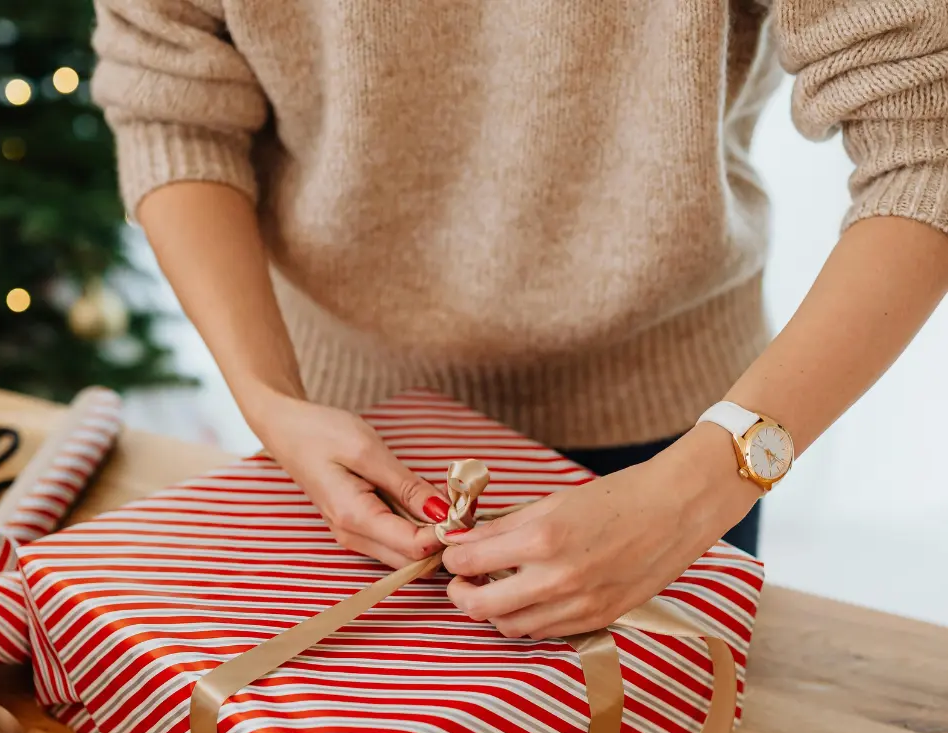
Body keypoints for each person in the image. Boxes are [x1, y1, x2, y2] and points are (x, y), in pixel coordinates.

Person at [92, 1, 948, 640]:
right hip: (340, 431)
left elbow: (928, 146)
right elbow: (173, 109)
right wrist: (269, 398)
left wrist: (699, 490)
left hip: (683, 443)